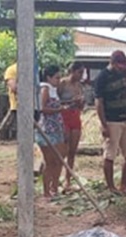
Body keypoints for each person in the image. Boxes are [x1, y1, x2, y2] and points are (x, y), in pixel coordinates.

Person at [95, 50, 126, 194]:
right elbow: (99, 102)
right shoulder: (102, 77)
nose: (122, 68)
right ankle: (111, 187)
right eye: (120, 65)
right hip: (111, 120)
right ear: (112, 62)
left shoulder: (121, 76)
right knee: (110, 155)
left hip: (124, 118)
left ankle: (124, 184)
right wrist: (103, 123)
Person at [35, 65, 66, 200]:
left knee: (58, 160)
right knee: (50, 161)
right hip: (47, 130)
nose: (59, 80)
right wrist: (60, 110)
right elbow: (43, 109)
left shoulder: (53, 90)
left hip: (56, 128)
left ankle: (55, 188)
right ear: (48, 77)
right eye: (57, 78)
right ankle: (46, 191)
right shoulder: (44, 89)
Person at [58, 62, 85, 193]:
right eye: (79, 72)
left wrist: (80, 103)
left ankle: (68, 179)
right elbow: (55, 102)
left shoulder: (79, 86)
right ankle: (56, 177)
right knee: (63, 149)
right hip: (64, 116)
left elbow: (81, 107)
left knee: (72, 151)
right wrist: (70, 102)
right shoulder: (62, 83)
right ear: (72, 71)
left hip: (76, 116)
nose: (81, 75)